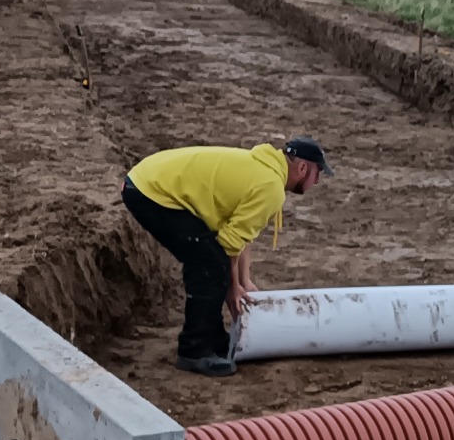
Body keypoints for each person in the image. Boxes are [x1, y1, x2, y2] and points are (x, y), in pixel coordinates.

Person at [121, 137, 334, 376]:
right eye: (317, 174)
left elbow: (242, 233)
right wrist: (233, 287)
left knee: (213, 261)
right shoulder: (271, 186)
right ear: (303, 168)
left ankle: (212, 339)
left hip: (149, 180)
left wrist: (244, 281)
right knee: (210, 266)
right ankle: (194, 351)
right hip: (151, 193)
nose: (316, 182)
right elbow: (230, 243)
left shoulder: (265, 170)